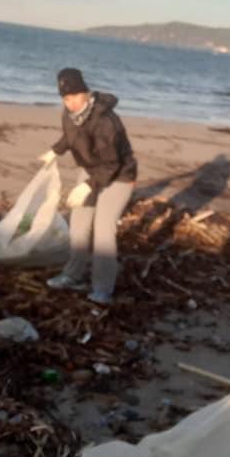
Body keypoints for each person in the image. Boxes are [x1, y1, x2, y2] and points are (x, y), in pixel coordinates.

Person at [39, 68, 137, 304]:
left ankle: (103, 290)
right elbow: (71, 136)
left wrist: (87, 186)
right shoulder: (69, 113)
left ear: (85, 92)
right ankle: (72, 276)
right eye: (64, 97)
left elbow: (111, 163)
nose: (69, 102)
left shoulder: (105, 121)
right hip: (90, 170)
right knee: (79, 225)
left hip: (119, 175)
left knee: (103, 231)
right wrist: (56, 150)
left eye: (73, 95)